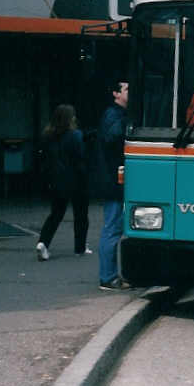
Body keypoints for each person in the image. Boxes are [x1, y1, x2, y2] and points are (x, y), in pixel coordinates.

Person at [36, 104, 91, 261]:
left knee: (55, 214)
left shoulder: (48, 136)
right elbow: (80, 158)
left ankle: (43, 243)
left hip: (56, 180)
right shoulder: (75, 135)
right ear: (70, 118)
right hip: (76, 180)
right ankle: (80, 247)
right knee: (81, 214)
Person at [96, 80, 132, 290]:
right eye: (127, 89)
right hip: (113, 180)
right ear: (116, 94)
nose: (131, 92)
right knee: (112, 228)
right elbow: (113, 138)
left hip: (113, 179)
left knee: (113, 227)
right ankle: (108, 277)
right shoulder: (114, 115)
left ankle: (110, 275)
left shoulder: (114, 114)